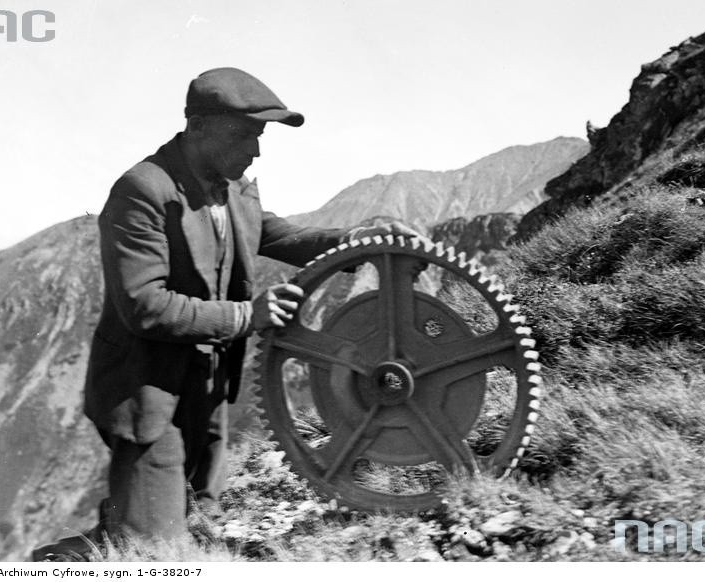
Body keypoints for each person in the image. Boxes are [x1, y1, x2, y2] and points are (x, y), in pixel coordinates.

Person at [32, 67, 418, 560]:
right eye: (245, 136)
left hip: (208, 389)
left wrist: (349, 244)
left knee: (197, 518)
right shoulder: (142, 191)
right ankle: (57, 563)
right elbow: (143, 306)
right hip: (147, 392)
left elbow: (271, 234)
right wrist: (244, 317)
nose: (255, 151)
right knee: (152, 549)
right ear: (198, 128)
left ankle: (131, 522)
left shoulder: (231, 185)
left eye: (258, 137)